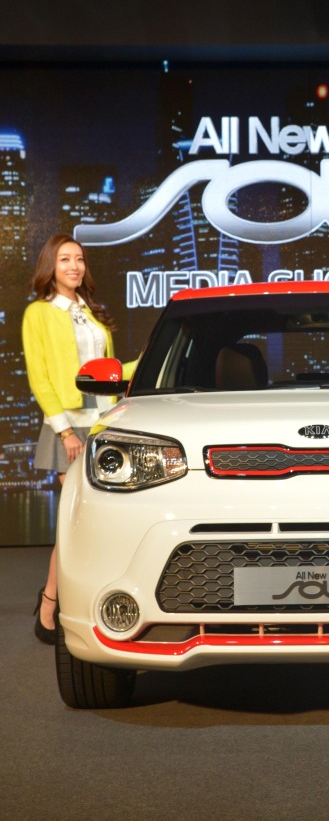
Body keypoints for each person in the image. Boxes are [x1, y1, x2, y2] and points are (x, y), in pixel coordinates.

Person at [22, 234, 129, 645]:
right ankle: (50, 603)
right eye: (65, 259)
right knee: (76, 524)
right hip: (68, 427)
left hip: (105, 422)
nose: (74, 266)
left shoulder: (90, 312)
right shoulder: (40, 313)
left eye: (79, 259)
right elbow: (40, 377)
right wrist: (64, 430)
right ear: (51, 265)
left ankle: (89, 602)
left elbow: (110, 371)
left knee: (105, 521)